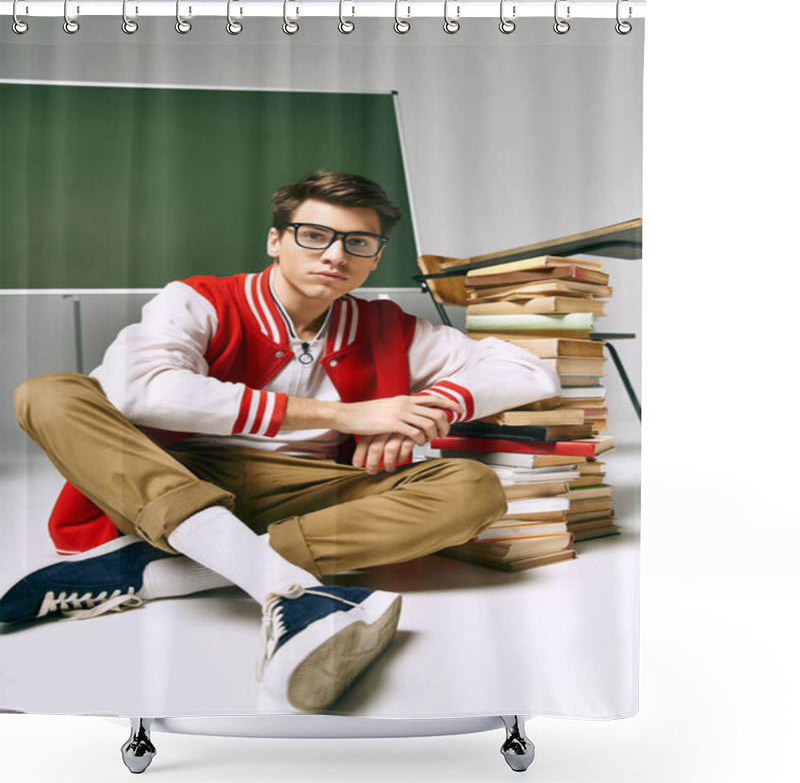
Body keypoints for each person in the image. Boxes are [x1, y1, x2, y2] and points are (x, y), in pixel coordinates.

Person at [1, 170, 560, 712]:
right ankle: (286, 586)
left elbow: (528, 369)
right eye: (315, 235)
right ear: (276, 239)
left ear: (375, 256)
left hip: (309, 494)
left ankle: (163, 571)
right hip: (168, 481)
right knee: (47, 392)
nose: (335, 256)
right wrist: (346, 416)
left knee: (472, 488)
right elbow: (141, 391)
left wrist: (415, 414)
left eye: (358, 243)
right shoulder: (198, 300)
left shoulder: (390, 327)